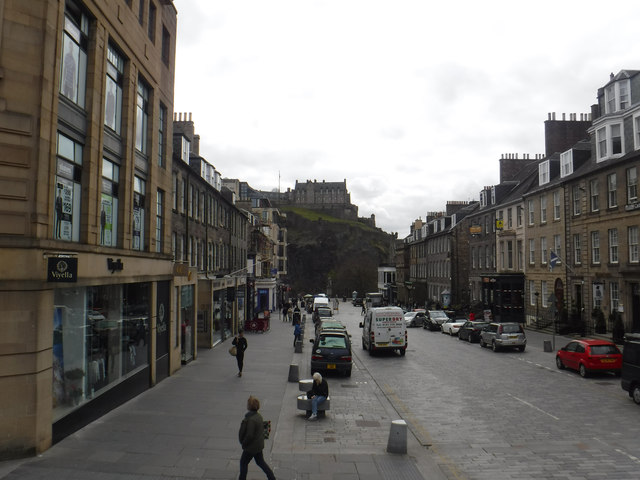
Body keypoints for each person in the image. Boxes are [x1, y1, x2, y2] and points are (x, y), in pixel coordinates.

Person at [238, 396, 275, 480]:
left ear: (249, 406)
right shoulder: (258, 416)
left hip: (251, 447)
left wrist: (244, 444)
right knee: (260, 462)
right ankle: (272, 477)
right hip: (258, 445)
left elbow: (249, 435)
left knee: (243, 462)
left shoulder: (250, 419)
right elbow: (264, 428)